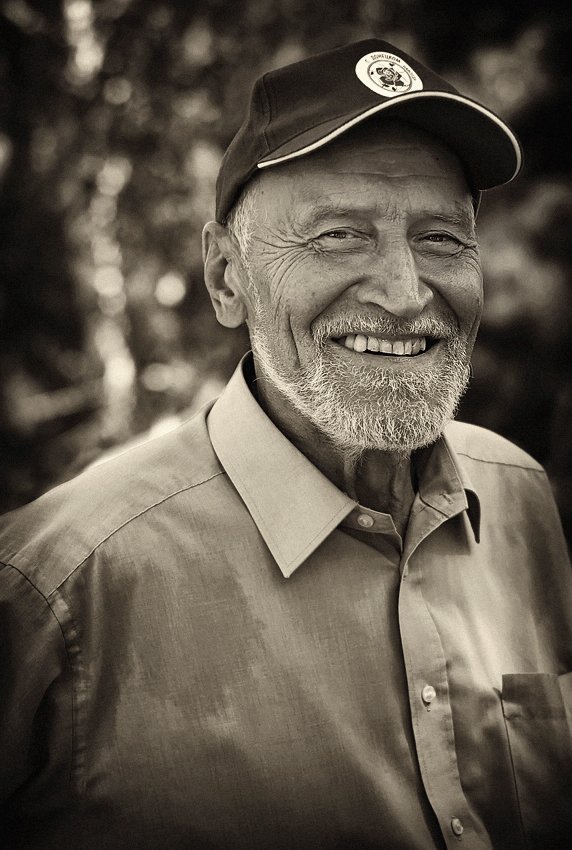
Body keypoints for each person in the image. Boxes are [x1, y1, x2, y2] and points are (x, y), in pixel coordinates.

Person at [0, 38, 570, 850]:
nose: (406, 294)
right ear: (225, 278)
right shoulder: (55, 588)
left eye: (442, 239)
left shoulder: (518, 495)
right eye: (338, 235)